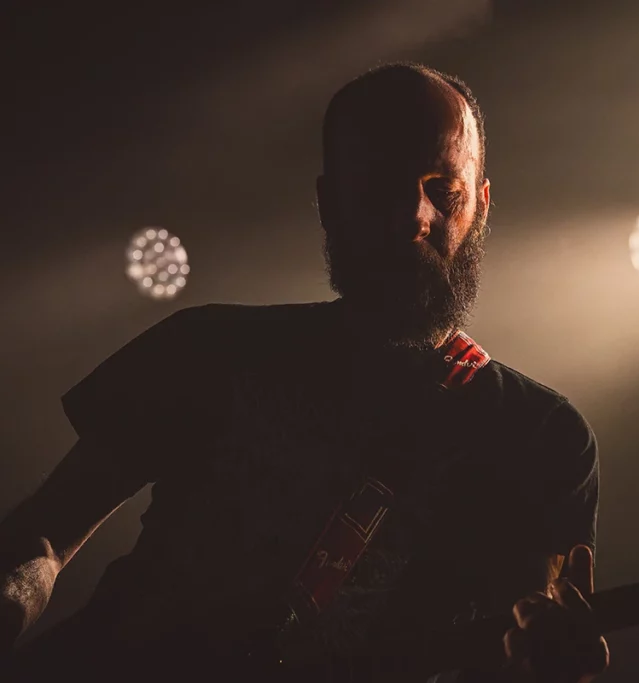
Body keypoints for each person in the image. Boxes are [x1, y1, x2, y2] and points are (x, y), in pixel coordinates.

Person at [0, 62, 608, 683]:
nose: (413, 215)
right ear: (327, 203)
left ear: (480, 202)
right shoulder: (204, 347)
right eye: (379, 186)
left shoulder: (544, 437)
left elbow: (524, 643)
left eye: (442, 188)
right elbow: (44, 538)